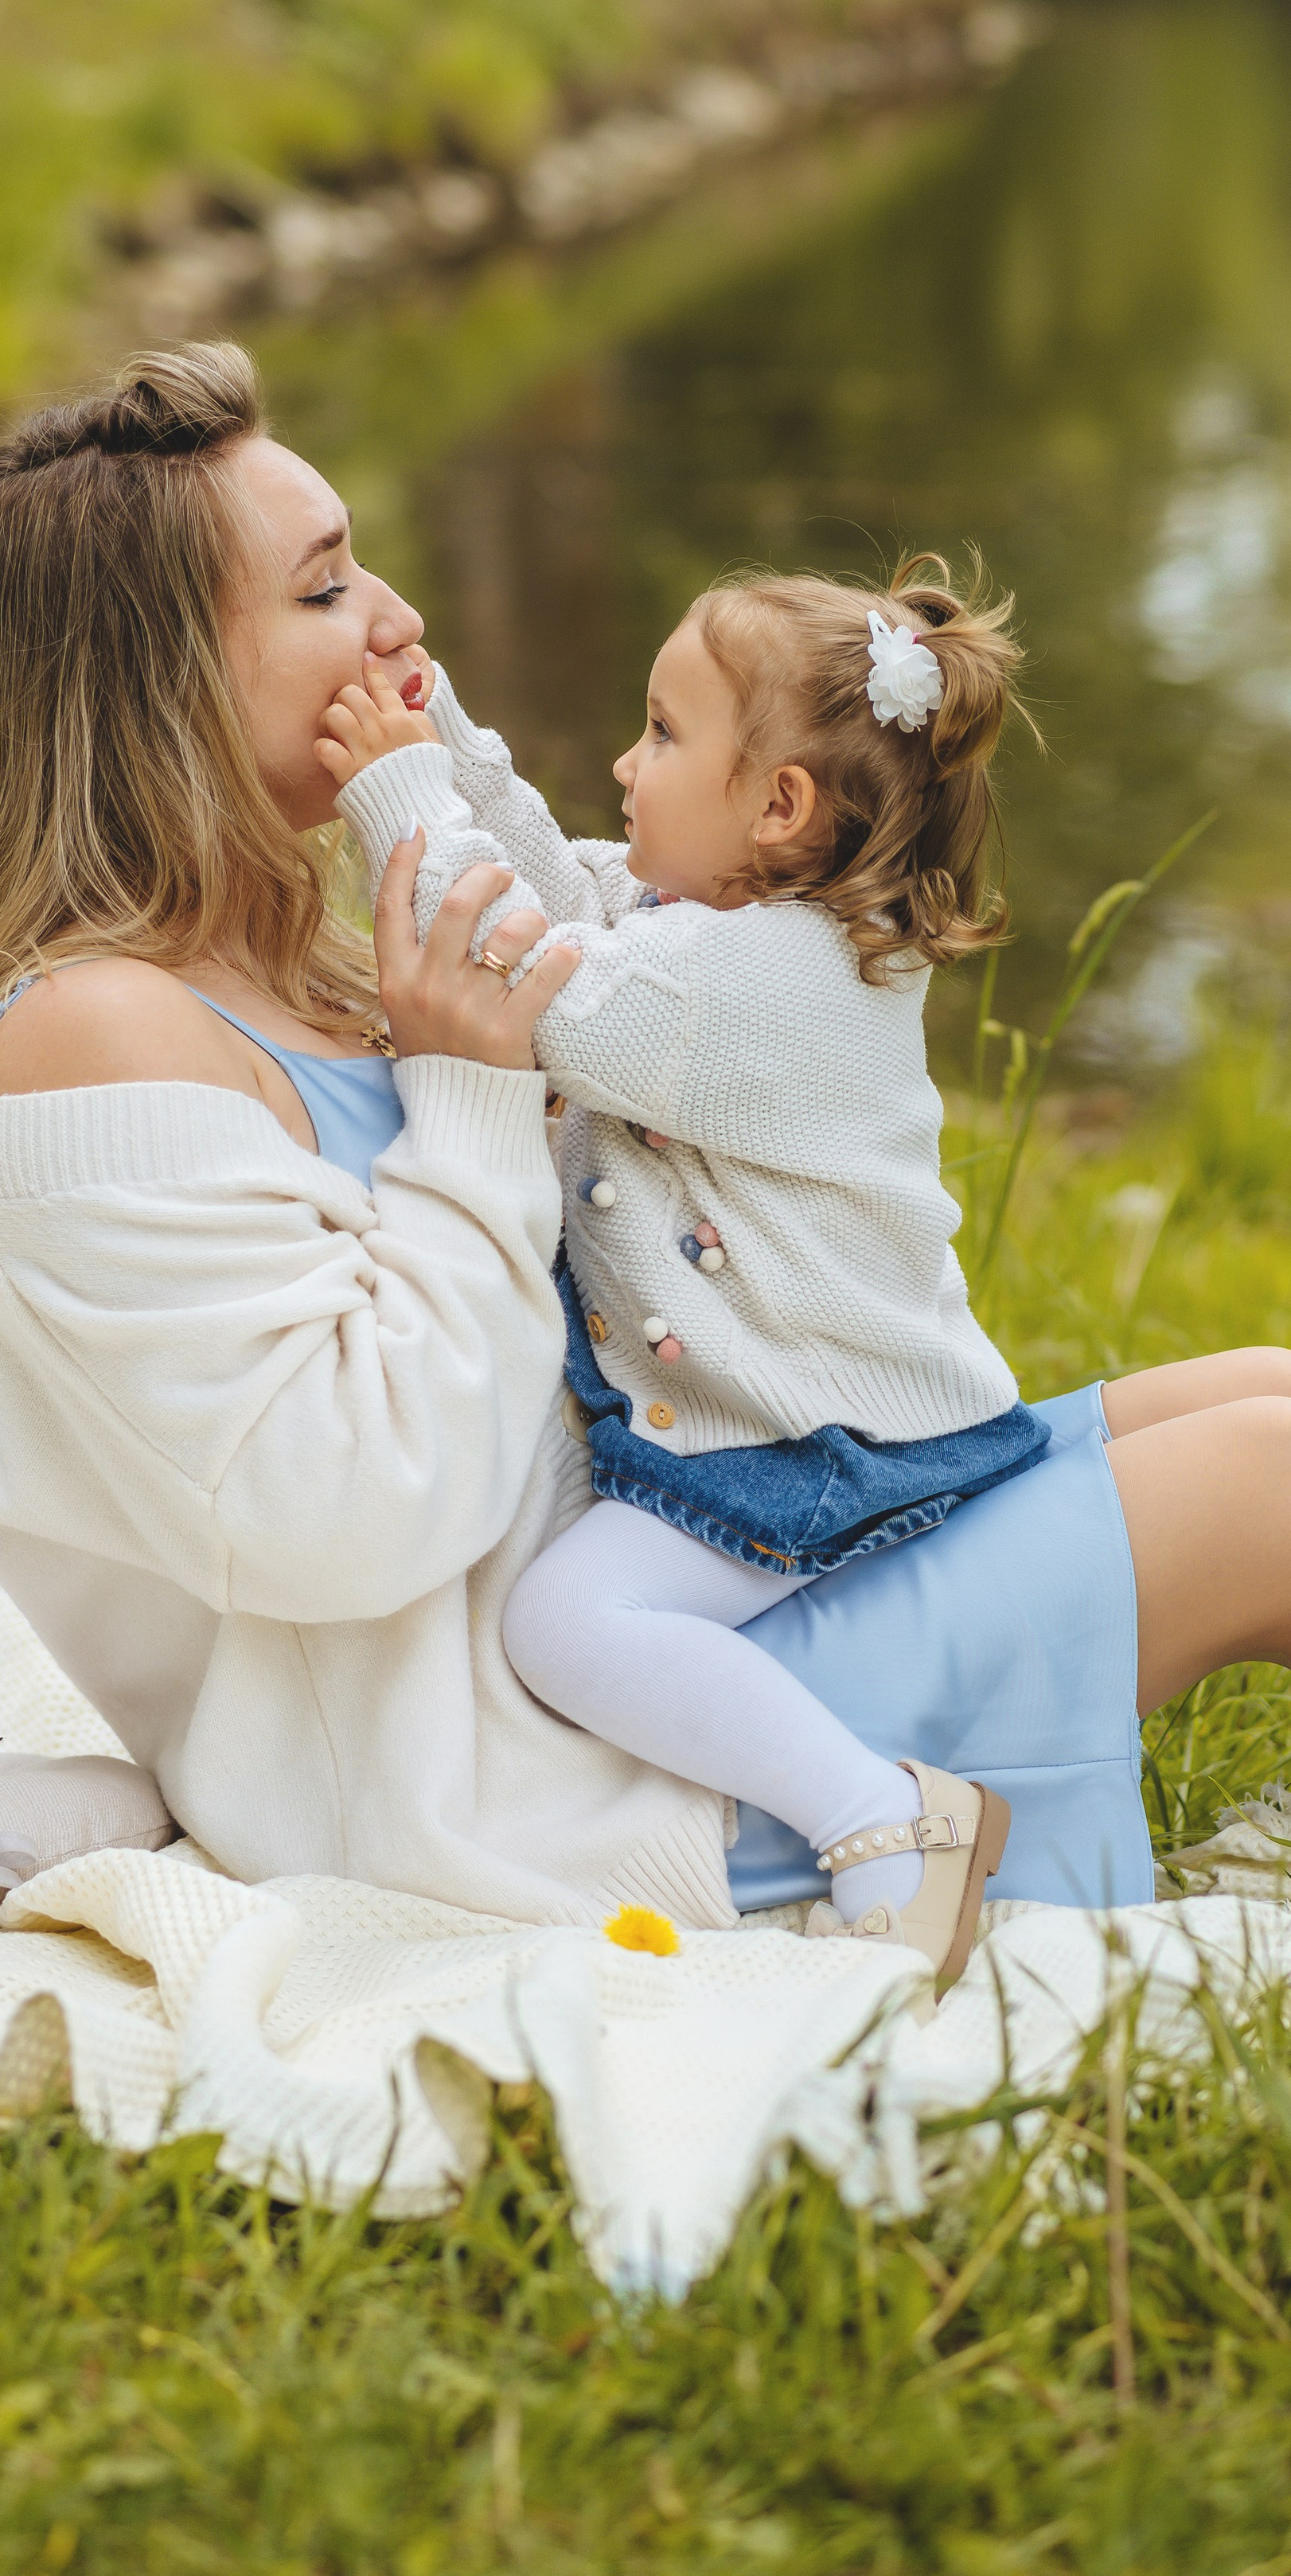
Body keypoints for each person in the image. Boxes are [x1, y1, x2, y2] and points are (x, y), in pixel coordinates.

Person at [0, 339, 1291, 1954]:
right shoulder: (96, 1036)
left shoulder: (295, 955)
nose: (396, 616)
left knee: (1267, 1391)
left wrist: (460, 958)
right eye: (325, 586)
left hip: (708, 1556)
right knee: (1280, 1494)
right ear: (157, 677)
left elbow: (569, 978)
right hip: (560, 1747)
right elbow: (342, 1518)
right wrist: (467, 1093)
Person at [315, 567, 1048, 1981]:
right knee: (574, 1612)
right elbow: (544, 875)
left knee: (571, 1624)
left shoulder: (766, 982)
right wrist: (433, 712)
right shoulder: (711, 928)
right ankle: (882, 1818)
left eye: (660, 735)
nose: (622, 762)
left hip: (825, 1439)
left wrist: (400, 800)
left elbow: (527, 974)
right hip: (792, 1417)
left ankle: (888, 1826)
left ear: (777, 808)